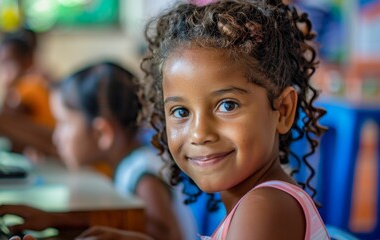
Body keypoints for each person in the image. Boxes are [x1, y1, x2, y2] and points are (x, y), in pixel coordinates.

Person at [78, 0, 331, 239]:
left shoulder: (264, 207)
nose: (199, 133)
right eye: (181, 112)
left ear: (283, 110)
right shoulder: (259, 203)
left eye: (227, 105)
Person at [0, 62, 197, 240]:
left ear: (102, 133)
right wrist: (60, 221)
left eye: (64, 123)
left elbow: (166, 234)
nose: (57, 136)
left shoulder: (142, 171)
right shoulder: (127, 163)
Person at [0, 32, 56, 157]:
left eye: (9, 63)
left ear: (28, 61)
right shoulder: (23, 87)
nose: (3, 72)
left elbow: (12, 126)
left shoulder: (30, 87)